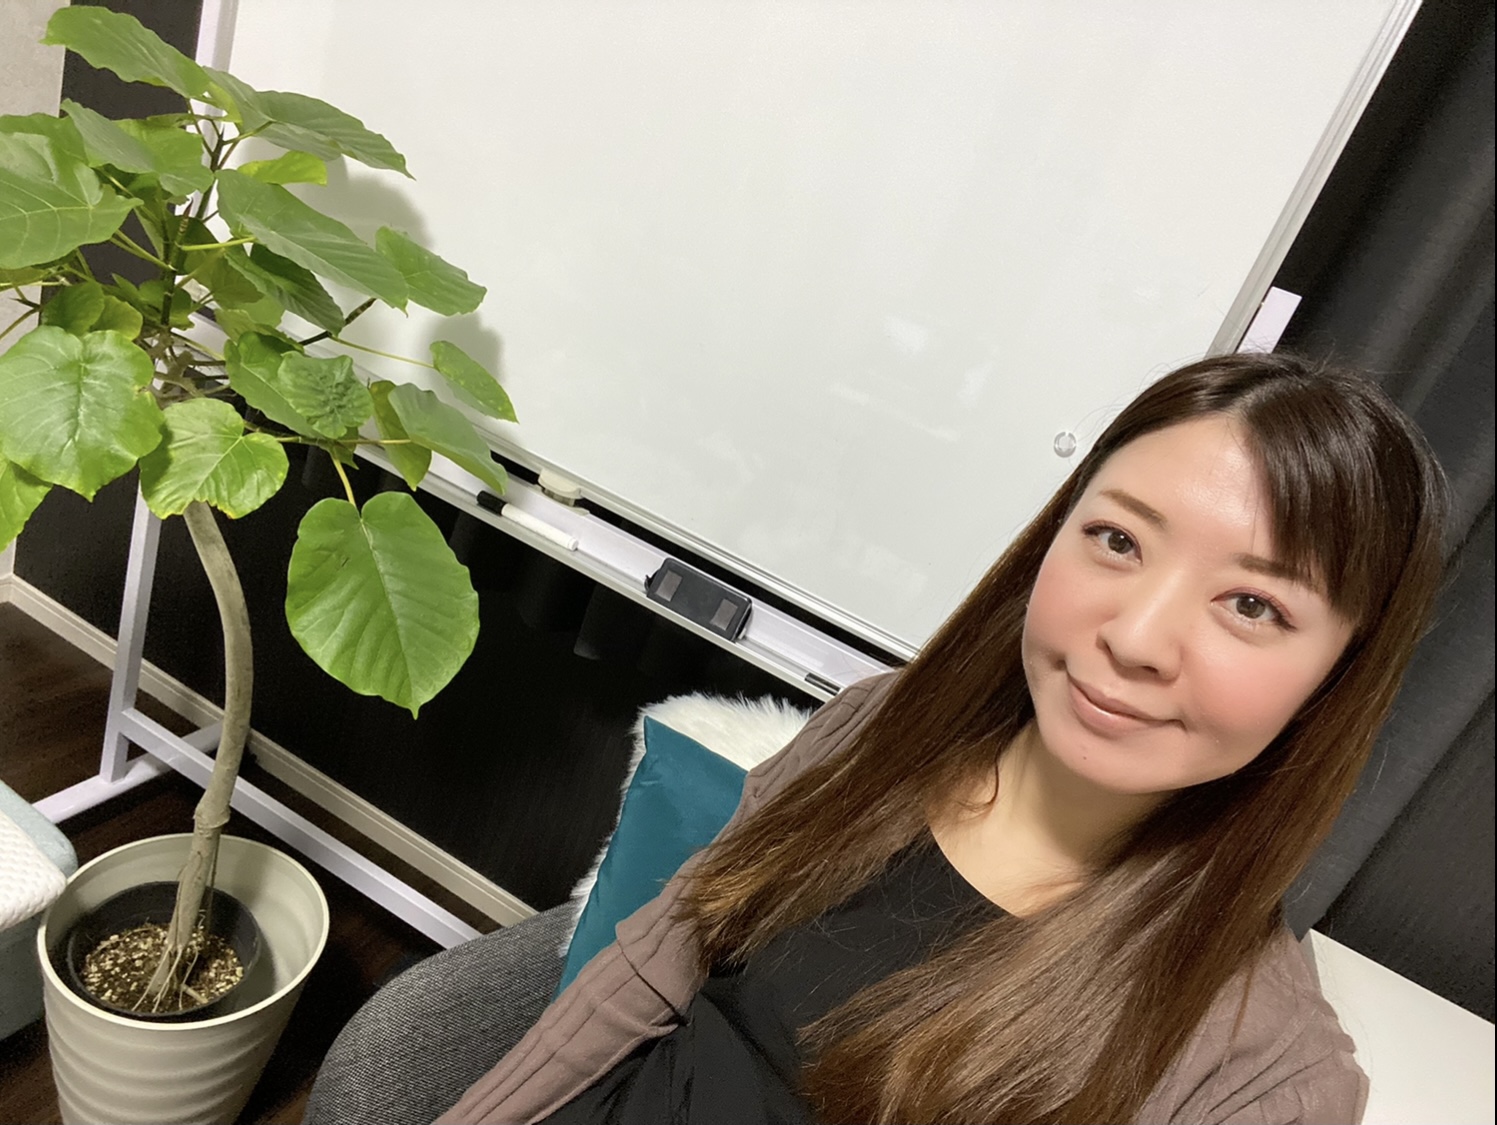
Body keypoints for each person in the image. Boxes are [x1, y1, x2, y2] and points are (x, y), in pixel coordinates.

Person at [439, 352, 1449, 1125]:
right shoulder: (878, 727)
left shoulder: (1262, 1082)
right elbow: (652, 970)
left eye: (1252, 605)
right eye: (1116, 539)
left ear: (1335, 681)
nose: (1137, 638)